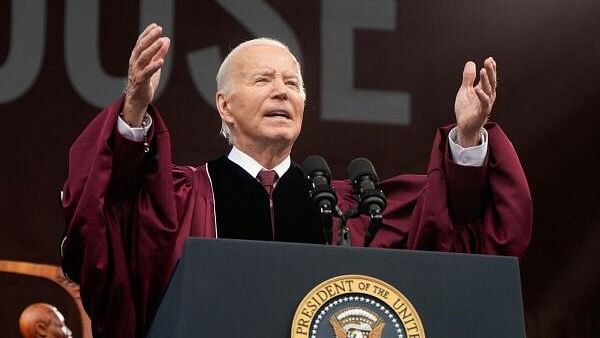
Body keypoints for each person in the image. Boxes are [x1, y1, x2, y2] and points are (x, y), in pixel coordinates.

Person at [60, 23, 532, 337]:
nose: (282, 91)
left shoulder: (352, 207)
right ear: (225, 105)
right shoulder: (179, 200)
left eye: (293, 83)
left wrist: (468, 137)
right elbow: (105, 215)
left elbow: (456, 235)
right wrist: (134, 109)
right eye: (264, 80)